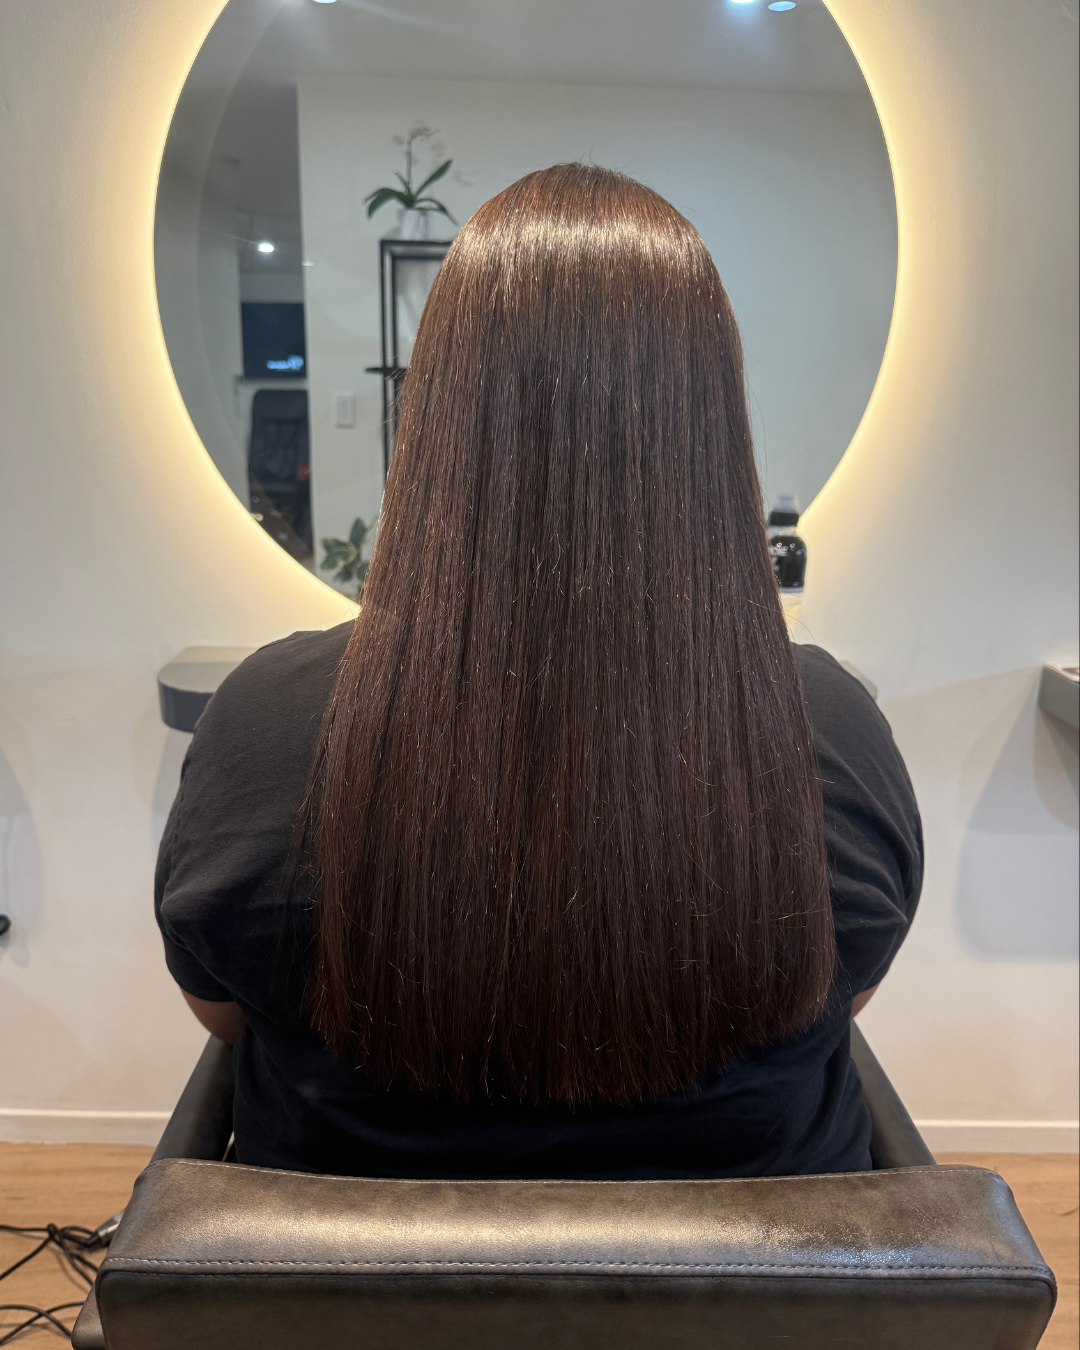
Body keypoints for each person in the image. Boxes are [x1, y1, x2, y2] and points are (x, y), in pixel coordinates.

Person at [156, 164, 922, 1179]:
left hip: (353, 1304)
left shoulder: (262, 727)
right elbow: (844, 990)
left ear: (432, 419)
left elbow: (220, 1014)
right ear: (709, 425)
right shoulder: (831, 729)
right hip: (752, 1314)